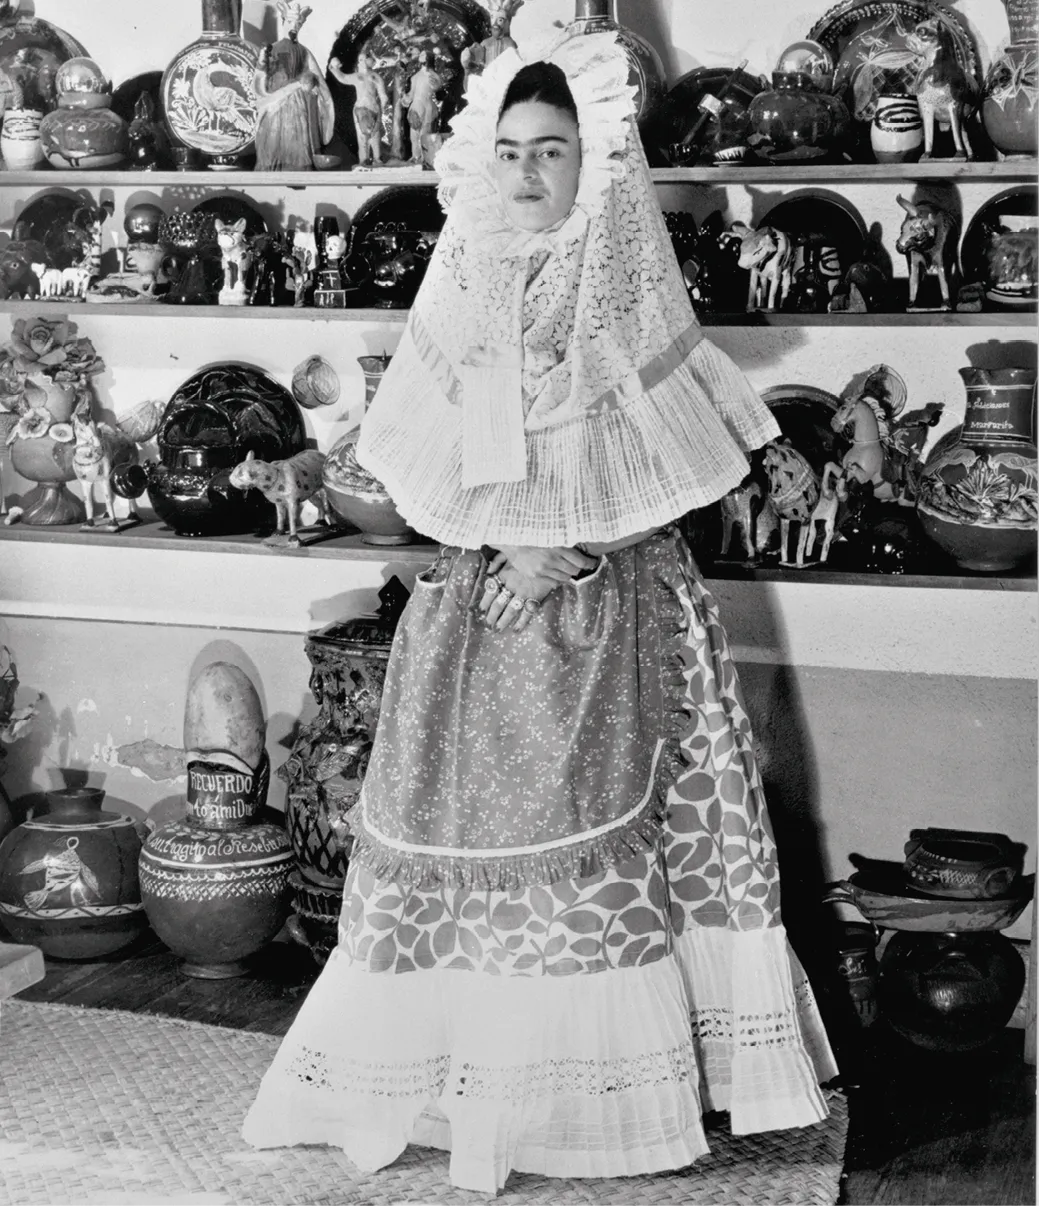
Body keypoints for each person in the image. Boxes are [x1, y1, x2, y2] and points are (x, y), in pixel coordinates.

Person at [242, 28, 837, 1194]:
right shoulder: (468, 279)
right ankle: (466, 1087)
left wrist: (561, 548)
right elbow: (425, 453)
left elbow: (681, 461)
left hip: (608, 603)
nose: (524, 174)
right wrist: (501, 544)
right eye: (507, 150)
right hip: (481, 606)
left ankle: (588, 1108)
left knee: (591, 844)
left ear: (591, 164)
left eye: (551, 150)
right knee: (465, 835)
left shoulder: (621, 283)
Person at [252, 3, 334, 172]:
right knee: (272, 140)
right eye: (291, 22)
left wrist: (315, 88)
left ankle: (296, 171)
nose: (294, 27)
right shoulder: (272, 49)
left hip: (298, 105)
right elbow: (261, 75)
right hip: (275, 104)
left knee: (297, 143)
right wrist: (261, 60)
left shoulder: (304, 52)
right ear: (283, 22)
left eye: (298, 24)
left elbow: (318, 79)